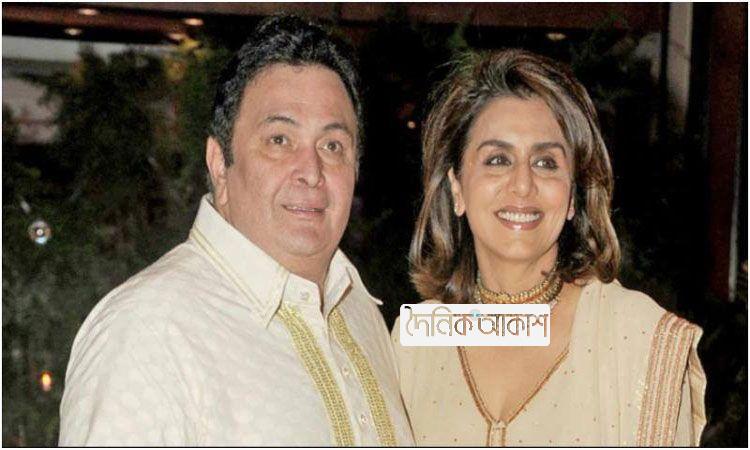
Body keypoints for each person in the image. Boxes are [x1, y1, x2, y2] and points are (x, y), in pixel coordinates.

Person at [59, 15, 413, 446]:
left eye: (332, 145)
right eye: (279, 140)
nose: (311, 171)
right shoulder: (147, 331)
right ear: (219, 165)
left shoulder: (359, 312)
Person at [391, 49, 706, 446]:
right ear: (457, 188)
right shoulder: (418, 338)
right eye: (497, 159)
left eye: (546, 163)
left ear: (572, 195)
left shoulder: (640, 337)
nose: (522, 185)